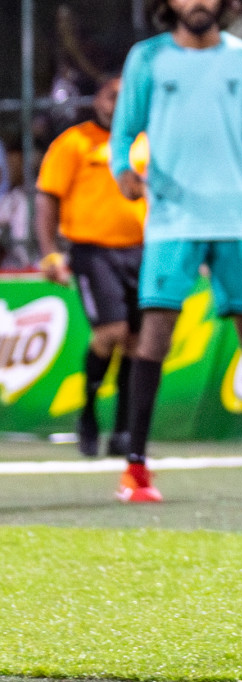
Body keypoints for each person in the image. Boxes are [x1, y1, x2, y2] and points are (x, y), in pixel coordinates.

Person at [110, 0, 242, 504]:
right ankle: (136, 468)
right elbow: (123, 133)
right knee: (155, 336)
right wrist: (122, 169)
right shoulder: (147, 59)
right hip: (172, 219)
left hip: (239, 218)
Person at [33, 73, 148, 458]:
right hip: (93, 252)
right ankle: (88, 413)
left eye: (123, 97)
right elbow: (48, 197)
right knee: (110, 333)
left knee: (135, 341)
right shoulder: (74, 143)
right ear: (97, 100)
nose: (115, 104)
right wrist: (49, 250)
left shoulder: (144, 144)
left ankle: (123, 430)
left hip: (142, 251)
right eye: (110, 96)